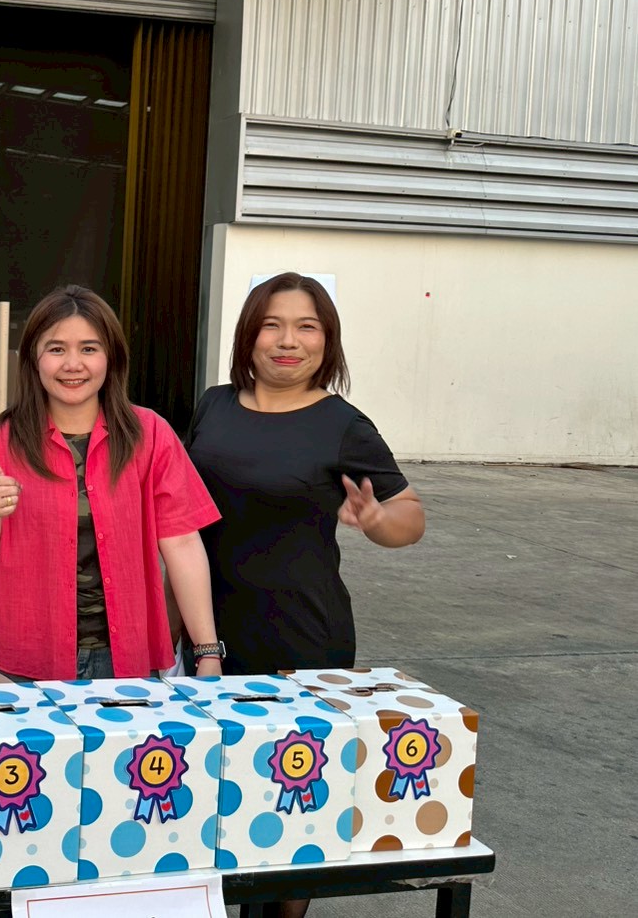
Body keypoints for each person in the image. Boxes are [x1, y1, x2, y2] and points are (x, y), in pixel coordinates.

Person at [186, 275, 426, 918]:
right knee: (218, 791)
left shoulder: (342, 424)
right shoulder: (213, 405)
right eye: (272, 324)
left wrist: (377, 520)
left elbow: (410, 516)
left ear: (327, 340)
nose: (287, 340)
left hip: (303, 640)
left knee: (294, 800)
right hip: (210, 632)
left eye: (306, 326)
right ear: (248, 335)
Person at [0, 285, 224, 681]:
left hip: (125, 660)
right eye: (56, 349)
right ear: (33, 358)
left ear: (110, 357)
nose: (72, 364)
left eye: (89, 349)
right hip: (23, 659)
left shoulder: (151, 435)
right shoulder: (1, 440)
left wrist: (207, 650)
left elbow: (182, 544)